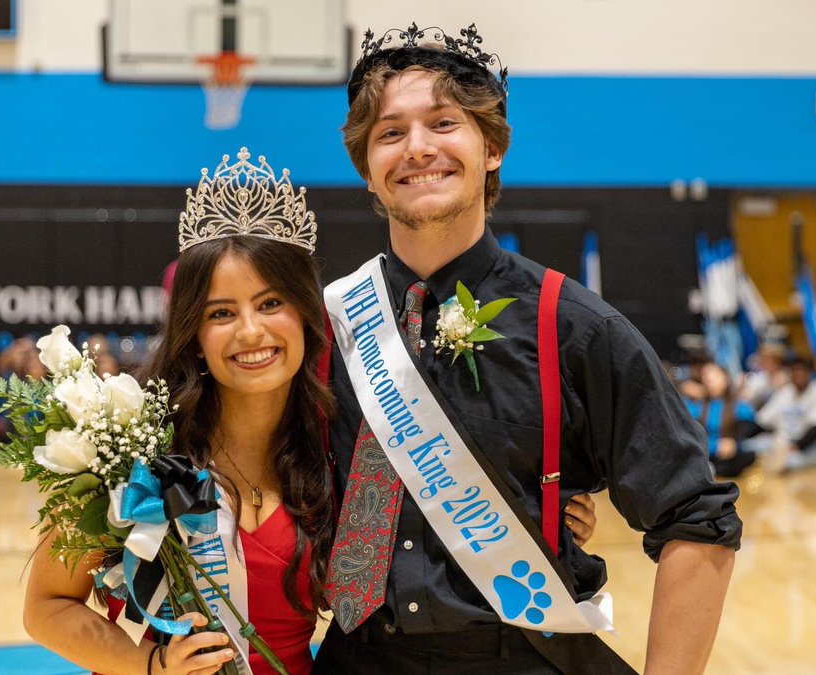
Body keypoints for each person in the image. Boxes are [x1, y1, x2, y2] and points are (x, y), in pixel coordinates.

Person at [23, 150, 601, 675]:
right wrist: (149, 664)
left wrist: (544, 513)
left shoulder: (341, 445)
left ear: (306, 316)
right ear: (193, 335)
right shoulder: (136, 447)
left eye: (271, 303)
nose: (251, 331)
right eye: (221, 313)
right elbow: (46, 606)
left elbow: (425, 531)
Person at [315, 23, 740, 675]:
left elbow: (696, 516)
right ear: (367, 171)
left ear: (491, 148)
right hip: (357, 657)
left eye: (443, 124)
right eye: (390, 133)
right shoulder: (328, 326)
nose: (418, 148)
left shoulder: (575, 326)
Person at [752, 355, 816, 473]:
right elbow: (761, 421)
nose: (798, 375)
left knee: (787, 462)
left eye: (801, 371)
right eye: (794, 371)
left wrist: (792, 449)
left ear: (810, 373)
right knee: (750, 446)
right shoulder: (785, 392)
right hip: (788, 442)